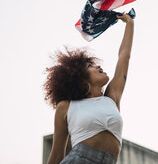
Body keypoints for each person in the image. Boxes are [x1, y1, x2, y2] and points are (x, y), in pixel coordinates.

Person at [43, 12, 134, 164]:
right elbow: (57, 155)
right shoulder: (66, 107)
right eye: (90, 66)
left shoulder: (112, 97)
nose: (98, 66)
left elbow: (124, 56)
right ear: (78, 76)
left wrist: (130, 24)